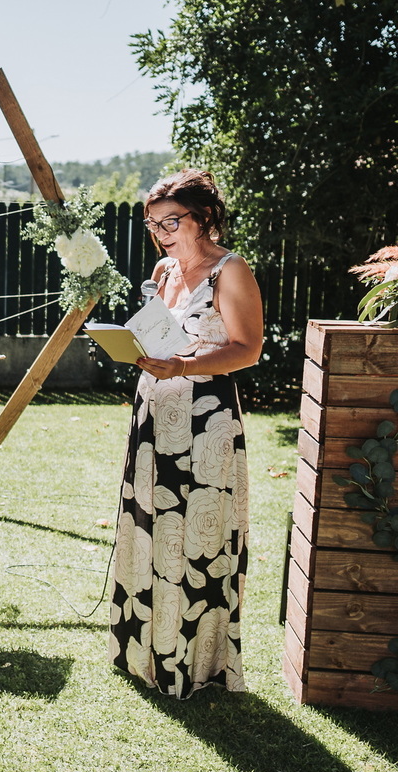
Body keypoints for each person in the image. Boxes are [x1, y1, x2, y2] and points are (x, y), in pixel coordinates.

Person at [109, 169, 263, 699]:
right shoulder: (163, 269)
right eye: (154, 225)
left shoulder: (230, 271)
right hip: (154, 418)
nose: (161, 233)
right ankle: (145, 651)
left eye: (170, 222)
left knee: (196, 537)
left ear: (203, 217)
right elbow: (162, 335)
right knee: (151, 528)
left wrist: (183, 367)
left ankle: (196, 664)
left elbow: (248, 349)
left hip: (204, 422)